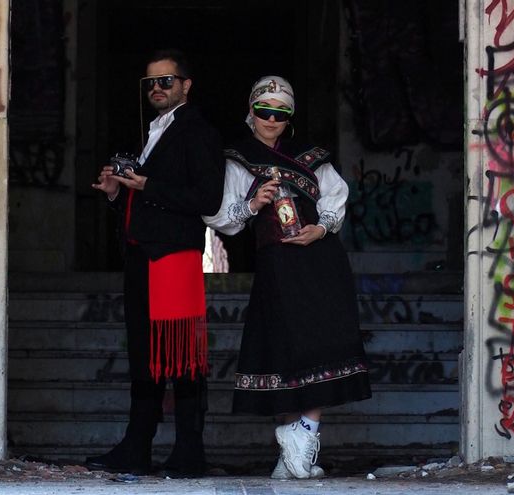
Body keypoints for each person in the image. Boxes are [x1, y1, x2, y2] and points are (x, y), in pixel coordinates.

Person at [203, 76, 371, 479]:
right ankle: (292, 455)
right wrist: (252, 203)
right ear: (251, 110)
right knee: (282, 350)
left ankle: (303, 436)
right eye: (264, 111)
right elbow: (220, 218)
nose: (271, 120)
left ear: (290, 116)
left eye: (281, 112)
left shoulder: (312, 156)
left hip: (320, 259)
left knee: (324, 347)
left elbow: (336, 196)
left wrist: (323, 227)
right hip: (277, 265)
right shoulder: (237, 158)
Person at [87, 49, 225, 477]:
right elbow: (147, 201)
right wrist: (116, 191)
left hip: (173, 259)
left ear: (187, 85)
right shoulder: (152, 132)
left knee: (182, 356)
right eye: (150, 83)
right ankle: (137, 446)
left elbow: (207, 199)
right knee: (146, 357)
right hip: (142, 258)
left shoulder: (198, 132)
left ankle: (189, 451)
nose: (158, 89)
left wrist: (147, 183)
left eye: (166, 81)